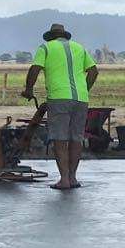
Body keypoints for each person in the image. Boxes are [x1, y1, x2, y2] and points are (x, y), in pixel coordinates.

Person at [22, 23, 98, 190]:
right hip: (81, 99)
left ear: (50, 36)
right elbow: (93, 71)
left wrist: (28, 89)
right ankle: (73, 177)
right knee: (76, 138)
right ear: (65, 35)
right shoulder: (79, 47)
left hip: (59, 98)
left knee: (60, 138)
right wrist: (84, 89)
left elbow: (35, 69)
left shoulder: (46, 47)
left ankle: (64, 179)